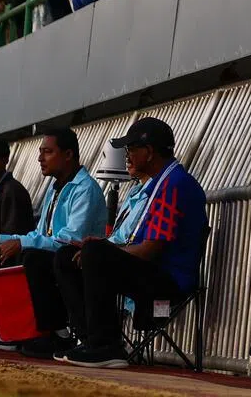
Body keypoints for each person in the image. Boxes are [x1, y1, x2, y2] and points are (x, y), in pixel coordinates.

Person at [54, 118, 207, 369]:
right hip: (150, 270)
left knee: (94, 251)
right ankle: (90, 339)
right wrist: (103, 249)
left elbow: (149, 250)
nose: (127, 156)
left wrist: (103, 250)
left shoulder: (175, 184)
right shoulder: (156, 184)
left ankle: (106, 345)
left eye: (131, 149)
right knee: (65, 257)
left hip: (169, 280)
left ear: (148, 153)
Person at [0, 128, 106, 359]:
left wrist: (19, 242)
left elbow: (68, 239)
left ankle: (57, 332)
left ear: (68, 154)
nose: (40, 158)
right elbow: (40, 232)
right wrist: (1, 240)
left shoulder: (85, 189)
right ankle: (17, 329)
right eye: (39, 152)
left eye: (47, 152)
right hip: (59, 257)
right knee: (7, 253)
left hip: (78, 261)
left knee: (33, 257)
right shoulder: (55, 186)